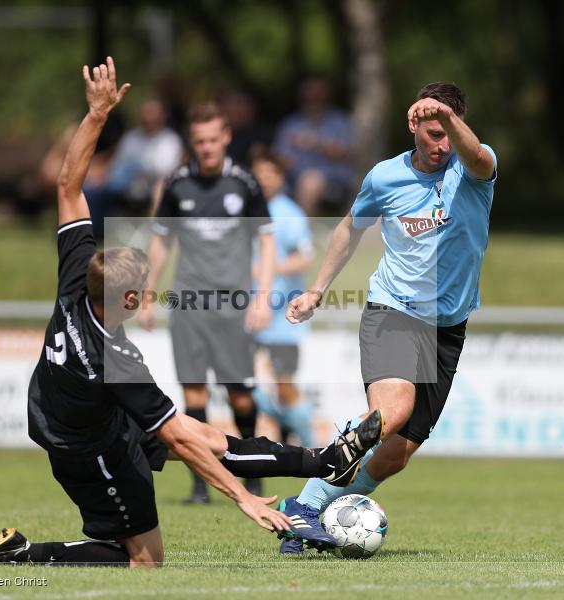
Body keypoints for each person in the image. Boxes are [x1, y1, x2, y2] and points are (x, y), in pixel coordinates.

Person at [0, 58, 382, 568]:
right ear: (129, 301)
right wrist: (241, 498)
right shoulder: (115, 358)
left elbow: (67, 185)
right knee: (145, 560)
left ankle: (322, 461)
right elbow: (175, 436)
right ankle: (24, 554)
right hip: (84, 446)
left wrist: (97, 114)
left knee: (211, 435)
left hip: (78, 411)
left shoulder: (76, 281)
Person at [273, 82, 497, 555]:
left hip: (448, 327)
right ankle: (307, 507)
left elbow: (475, 153)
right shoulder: (384, 177)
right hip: (392, 311)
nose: (441, 146)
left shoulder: (474, 168)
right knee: (393, 412)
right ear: (412, 125)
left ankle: (317, 509)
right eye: (432, 133)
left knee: (396, 454)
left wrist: (451, 123)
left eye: (449, 133)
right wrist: (316, 289)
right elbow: (348, 230)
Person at [136, 102, 276, 504]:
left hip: (232, 305)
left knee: (240, 395)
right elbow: (160, 240)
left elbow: (267, 240)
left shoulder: (245, 184)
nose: (208, 148)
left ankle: (255, 471)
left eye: (214, 139)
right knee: (193, 394)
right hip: (188, 304)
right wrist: (147, 295)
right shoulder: (177, 185)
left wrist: (261, 298)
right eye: (200, 141)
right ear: (191, 142)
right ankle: (201, 486)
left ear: (226, 136)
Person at [249, 149, 316, 447]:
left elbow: (304, 259)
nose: (263, 180)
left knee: (284, 388)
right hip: (248, 311)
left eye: (269, 174)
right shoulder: (244, 210)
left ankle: (314, 452)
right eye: (258, 174)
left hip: (282, 318)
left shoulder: (289, 213)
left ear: (281, 177)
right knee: (242, 384)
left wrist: (268, 267)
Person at [84, 98, 183, 239]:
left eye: (151, 113)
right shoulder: (130, 137)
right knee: (89, 191)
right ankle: (91, 234)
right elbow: (116, 164)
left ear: (162, 116)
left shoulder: (170, 140)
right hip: (121, 185)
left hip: (152, 186)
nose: (146, 117)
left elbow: (166, 170)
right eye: (144, 112)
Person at [273, 78, 353, 216]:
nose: (314, 100)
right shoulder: (291, 124)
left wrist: (316, 143)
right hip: (292, 180)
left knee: (310, 181)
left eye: (318, 96)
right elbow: (279, 159)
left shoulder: (340, 121)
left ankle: (301, 233)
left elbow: (348, 153)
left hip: (335, 183)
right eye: (309, 97)